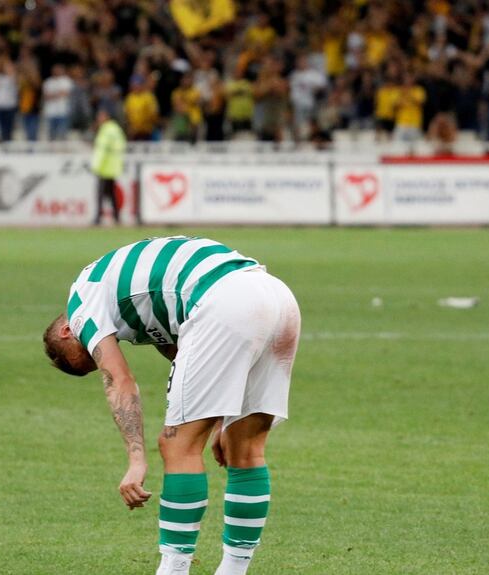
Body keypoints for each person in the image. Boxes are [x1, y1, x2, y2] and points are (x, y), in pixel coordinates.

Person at [43, 236, 301, 575]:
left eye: (90, 355)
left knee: (177, 444)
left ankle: (174, 570)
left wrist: (136, 461)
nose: (98, 355)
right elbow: (184, 353)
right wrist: (224, 420)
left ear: (66, 330)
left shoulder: (82, 304)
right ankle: (234, 570)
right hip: (276, 296)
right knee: (246, 446)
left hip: (223, 300)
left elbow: (120, 381)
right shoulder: (129, 301)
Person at [90, 108, 126, 225]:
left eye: (100, 116)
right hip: (113, 167)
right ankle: (117, 217)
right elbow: (121, 146)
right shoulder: (116, 129)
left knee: (101, 194)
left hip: (104, 167)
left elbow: (102, 150)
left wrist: (96, 165)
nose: (99, 119)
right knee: (111, 194)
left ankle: (98, 218)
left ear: (106, 117)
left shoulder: (106, 130)